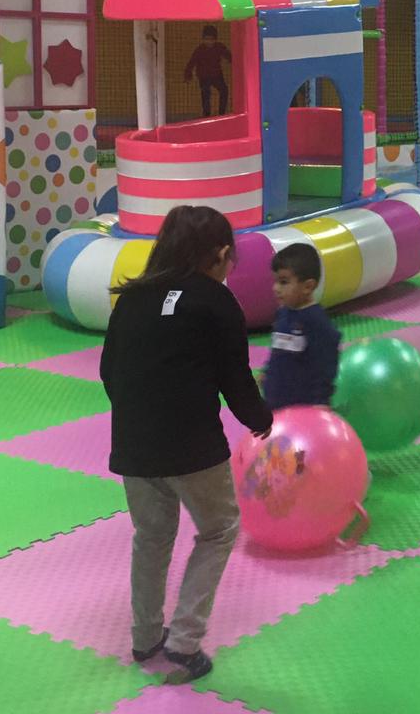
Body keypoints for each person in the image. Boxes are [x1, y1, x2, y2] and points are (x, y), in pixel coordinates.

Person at [100, 204, 272, 683]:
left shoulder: (131, 298)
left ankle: (144, 636)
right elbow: (235, 379)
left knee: (151, 536)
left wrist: (138, 417)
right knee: (219, 529)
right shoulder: (216, 301)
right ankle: (184, 641)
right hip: (193, 447)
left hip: (133, 445)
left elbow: (109, 371)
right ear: (219, 253)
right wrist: (260, 419)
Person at [261, 242, 341, 409]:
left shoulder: (315, 320)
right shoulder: (283, 313)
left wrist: (320, 400)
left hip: (303, 407)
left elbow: (326, 363)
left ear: (307, 286)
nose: (276, 288)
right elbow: (278, 351)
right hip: (275, 402)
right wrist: (267, 373)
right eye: (275, 281)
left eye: (283, 282)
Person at [184, 24, 231, 117]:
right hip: (203, 75)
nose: (209, 42)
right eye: (206, 39)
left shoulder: (219, 47)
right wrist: (188, 74)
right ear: (203, 39)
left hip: (216, 74)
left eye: (211, 39)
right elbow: (191, 63)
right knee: (206, 93)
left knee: (224, 90)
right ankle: (207, 114)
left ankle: (222, 113)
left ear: (215, 39)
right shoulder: (199, 50)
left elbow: (229, 56)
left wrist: (232, 61)